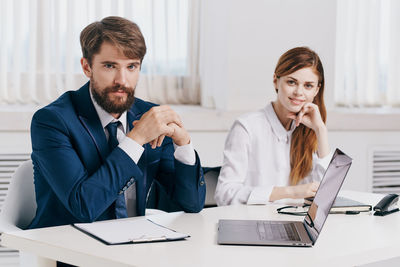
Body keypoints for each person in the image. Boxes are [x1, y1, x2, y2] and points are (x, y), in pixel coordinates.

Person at [29, 16, 206, 229]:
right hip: (70, 249)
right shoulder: (52, 121)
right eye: (110, 66)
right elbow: (84, 207)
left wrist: (183, 144)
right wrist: (136, 139)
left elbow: (191, 204)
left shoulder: (148, 114)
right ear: (87, 67)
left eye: (131, 67)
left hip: (133, 246)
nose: (122, 80)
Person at [214, 47, 332, 206]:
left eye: (308, 86)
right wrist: (292, 192)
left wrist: (321, 131)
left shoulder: (309, 130)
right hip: (251, 223)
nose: (299, 92)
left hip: (292, 222)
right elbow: (224, 195)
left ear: (317, 90)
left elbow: (323, 196)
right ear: (276, 81)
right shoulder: (247, 127)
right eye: (292, 82)